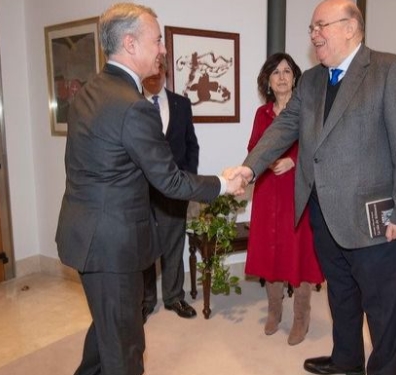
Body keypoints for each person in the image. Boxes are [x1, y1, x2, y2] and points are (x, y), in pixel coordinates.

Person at [226, 1, 396, 374]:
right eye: (311, 28)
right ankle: (346, 362)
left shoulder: (391, 70)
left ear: (351, 27)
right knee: (342, 296)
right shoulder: (315, 80)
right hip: (323, 214)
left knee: (384, 311)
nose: (314, 34)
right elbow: (284, 128)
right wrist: (249, 169)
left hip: (379, 224)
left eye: (321, 26)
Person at [55, 3, 243, 375]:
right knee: (126, 348)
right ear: (130, 43)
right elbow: (170, 179)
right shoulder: (132, 106)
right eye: (157, 39)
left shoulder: (90, 91)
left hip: (86, 234)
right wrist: (223, 183)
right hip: (110, 245)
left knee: (106, 335)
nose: (162, 49)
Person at [245, 52, 324, 346]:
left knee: (299, 252)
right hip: (268, 191)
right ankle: (274, 311)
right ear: (268, 80)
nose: (281, 77)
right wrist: (265, 163)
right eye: (275, 72)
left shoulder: (307, 111)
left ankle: (301, 318)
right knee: (271, 250)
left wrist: (293, 160)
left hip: (298, 189)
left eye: (287, 71)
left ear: (295, 78)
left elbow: (316, 147)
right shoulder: (261, 114)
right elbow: (255, 146)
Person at [142, 61, 199, 320]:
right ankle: (144, 301)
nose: (154, 76)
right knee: (143, 247)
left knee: (174, 243)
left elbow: (191, 145)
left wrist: (187, 180)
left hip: (174, 189)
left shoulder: (181, 104)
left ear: (165, 73)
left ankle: (174, 297)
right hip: (139, 190)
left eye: (159, 71)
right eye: (150, 72)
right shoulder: (131, 103)